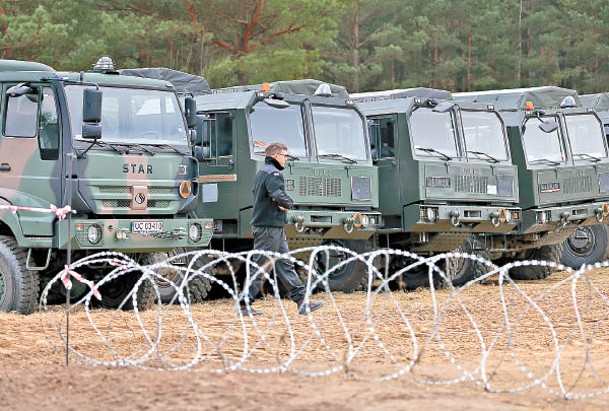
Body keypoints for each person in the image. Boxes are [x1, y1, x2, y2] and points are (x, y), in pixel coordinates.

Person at [241, 142, 324, 316]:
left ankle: (302, 302)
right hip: (268, 227)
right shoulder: (274, 173)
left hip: (272, 226)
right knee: (262, 265)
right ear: (276, 155)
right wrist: (288, 203)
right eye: (285, 155)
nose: (286, 159)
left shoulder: (263, 171)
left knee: (285, 264)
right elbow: (277, 194)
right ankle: (244, 305)